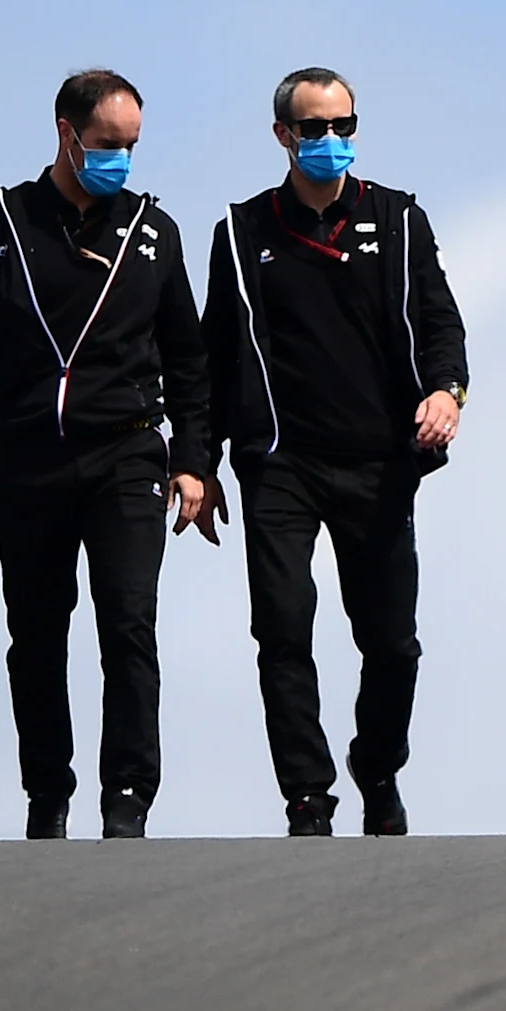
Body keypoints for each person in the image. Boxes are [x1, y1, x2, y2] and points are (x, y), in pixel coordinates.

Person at [0, 69, 215, 839]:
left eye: (132, 146)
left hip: (127, 456)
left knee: (129, 626)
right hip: (30, 459)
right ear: (65, 132)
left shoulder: (155, 231)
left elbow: (189, 358)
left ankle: (129, 799)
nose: (120, 159)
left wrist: (194, 460)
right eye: (107, 144)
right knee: (37, 634)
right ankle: (47, 795)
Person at [202, 68, 468, 837]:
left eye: (343, 127)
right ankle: (307, 797)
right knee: (283, 630)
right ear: (284, 136)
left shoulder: (400, 219)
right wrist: (200, 458)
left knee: (392, 643)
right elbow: (215, 357)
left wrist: (446, 391)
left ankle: (377, 766)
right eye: (314, 129)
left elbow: (441, 322)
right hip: (280, 464)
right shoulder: (241, 230)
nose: (330, 142)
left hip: (379, 462)